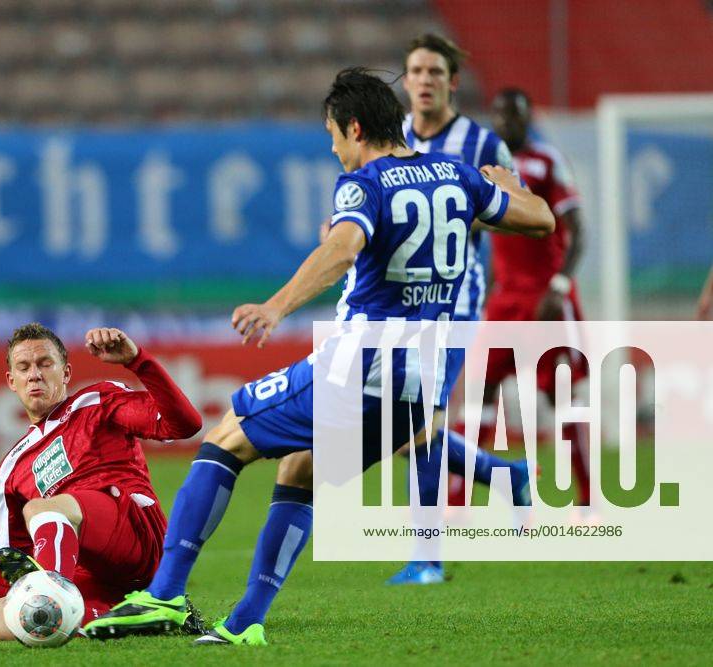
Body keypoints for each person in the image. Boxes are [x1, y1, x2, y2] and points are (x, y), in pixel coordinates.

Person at [83, 67, 554, 646]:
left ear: (355, 127)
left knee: (226, 437)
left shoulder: (367, 184)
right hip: (418, 388)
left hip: (358, 369)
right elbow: (541, 219)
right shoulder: (456, 176)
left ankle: (163, 597)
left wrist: (277, 305)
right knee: (299, 467)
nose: (333, 148)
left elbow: (341, 246)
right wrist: (514, 188)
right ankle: (246, 621)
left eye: (333, 134)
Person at [0, 324, 204, 642]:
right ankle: (136, 617)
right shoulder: (10, 470)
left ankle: (54, 597)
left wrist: (138, 361)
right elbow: (3, 571)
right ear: (11, 382)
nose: (35, 375)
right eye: (24, 368)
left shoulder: (95, 402)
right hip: (91, 577)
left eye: (45, 363)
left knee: (43, 509)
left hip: (138, 538)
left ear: (66, 372)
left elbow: (184, 424)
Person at [388, 33, 527, 585]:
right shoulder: (389, 137)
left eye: (433, 72)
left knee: (419, 424)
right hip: (396, 304)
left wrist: (472, 216)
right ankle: (505, 476)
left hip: (455, 303)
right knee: (399, 430)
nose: (423, 80)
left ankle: (426, 559)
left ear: (452, 82)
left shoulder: (482, 143)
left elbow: (520, 205)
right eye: (415, 71)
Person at [486, 87, 592, 512]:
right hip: (504, 301)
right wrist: (488, 287)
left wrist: (560, 285)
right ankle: (454, 503)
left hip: (546, 296)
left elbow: (579, 230)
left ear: (527, 118)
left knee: (560, 395)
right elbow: (491, 234)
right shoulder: (489, 168)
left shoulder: (548, 161)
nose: (506, 121)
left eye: (515, 114)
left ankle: (588, 500)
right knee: (481, 390)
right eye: (500, 114)